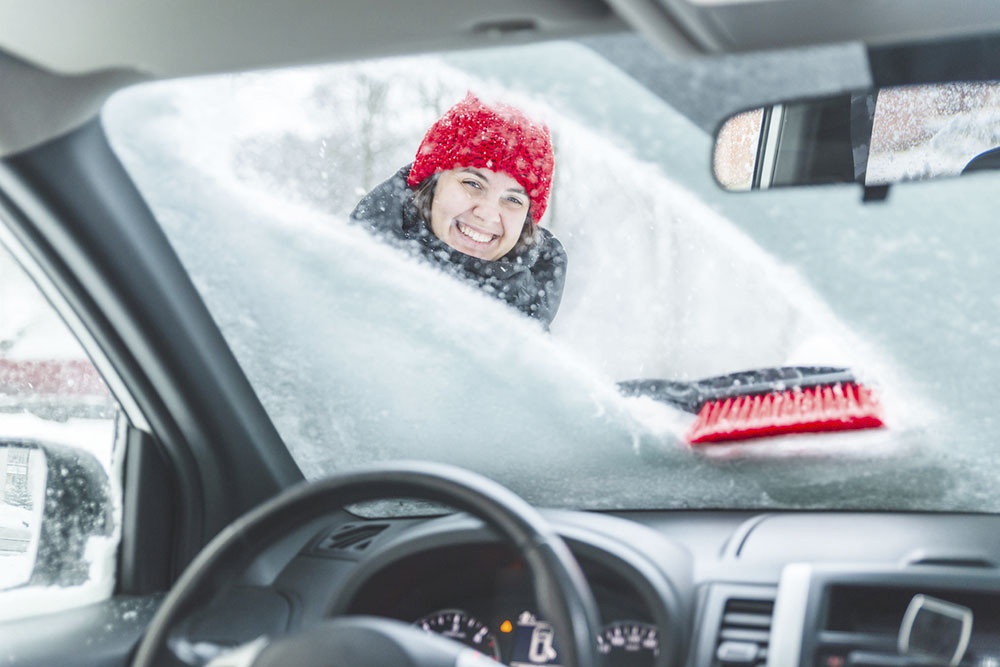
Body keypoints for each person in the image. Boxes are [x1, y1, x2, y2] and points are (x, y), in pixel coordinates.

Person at [350, 93, 567, 328]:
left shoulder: (527, 337)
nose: (487, 214)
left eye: (513, 199)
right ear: (432, 184)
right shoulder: (348, 279)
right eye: (473, 184)